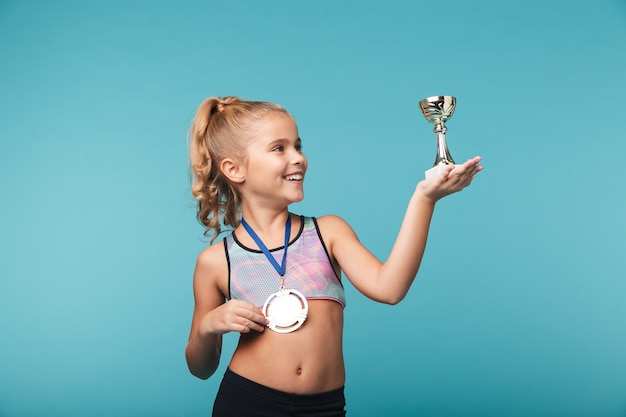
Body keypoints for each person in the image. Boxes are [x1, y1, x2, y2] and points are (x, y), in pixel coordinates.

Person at [185, 96, 482, 417]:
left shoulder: (328, 232)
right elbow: (201, 368)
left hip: (323, 408)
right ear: (234, 169)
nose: (298, 158)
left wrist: (424, 199)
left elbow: (390, 288)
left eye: (298, 146)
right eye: (279, 148)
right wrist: (207, 327)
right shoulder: (216, 262)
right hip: (247, 403)